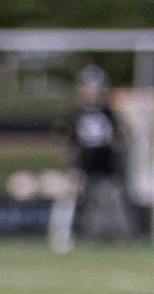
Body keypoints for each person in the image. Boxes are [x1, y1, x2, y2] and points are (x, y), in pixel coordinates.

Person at [48, 64, 134, 252]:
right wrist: (73, 164)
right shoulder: (75, 113)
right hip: (82, 166)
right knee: (71, 198)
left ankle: (120, 237)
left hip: (106, 166)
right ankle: (61, 236)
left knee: (112, 199)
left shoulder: (109, 114)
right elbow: (67, 139)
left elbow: (119, 138)